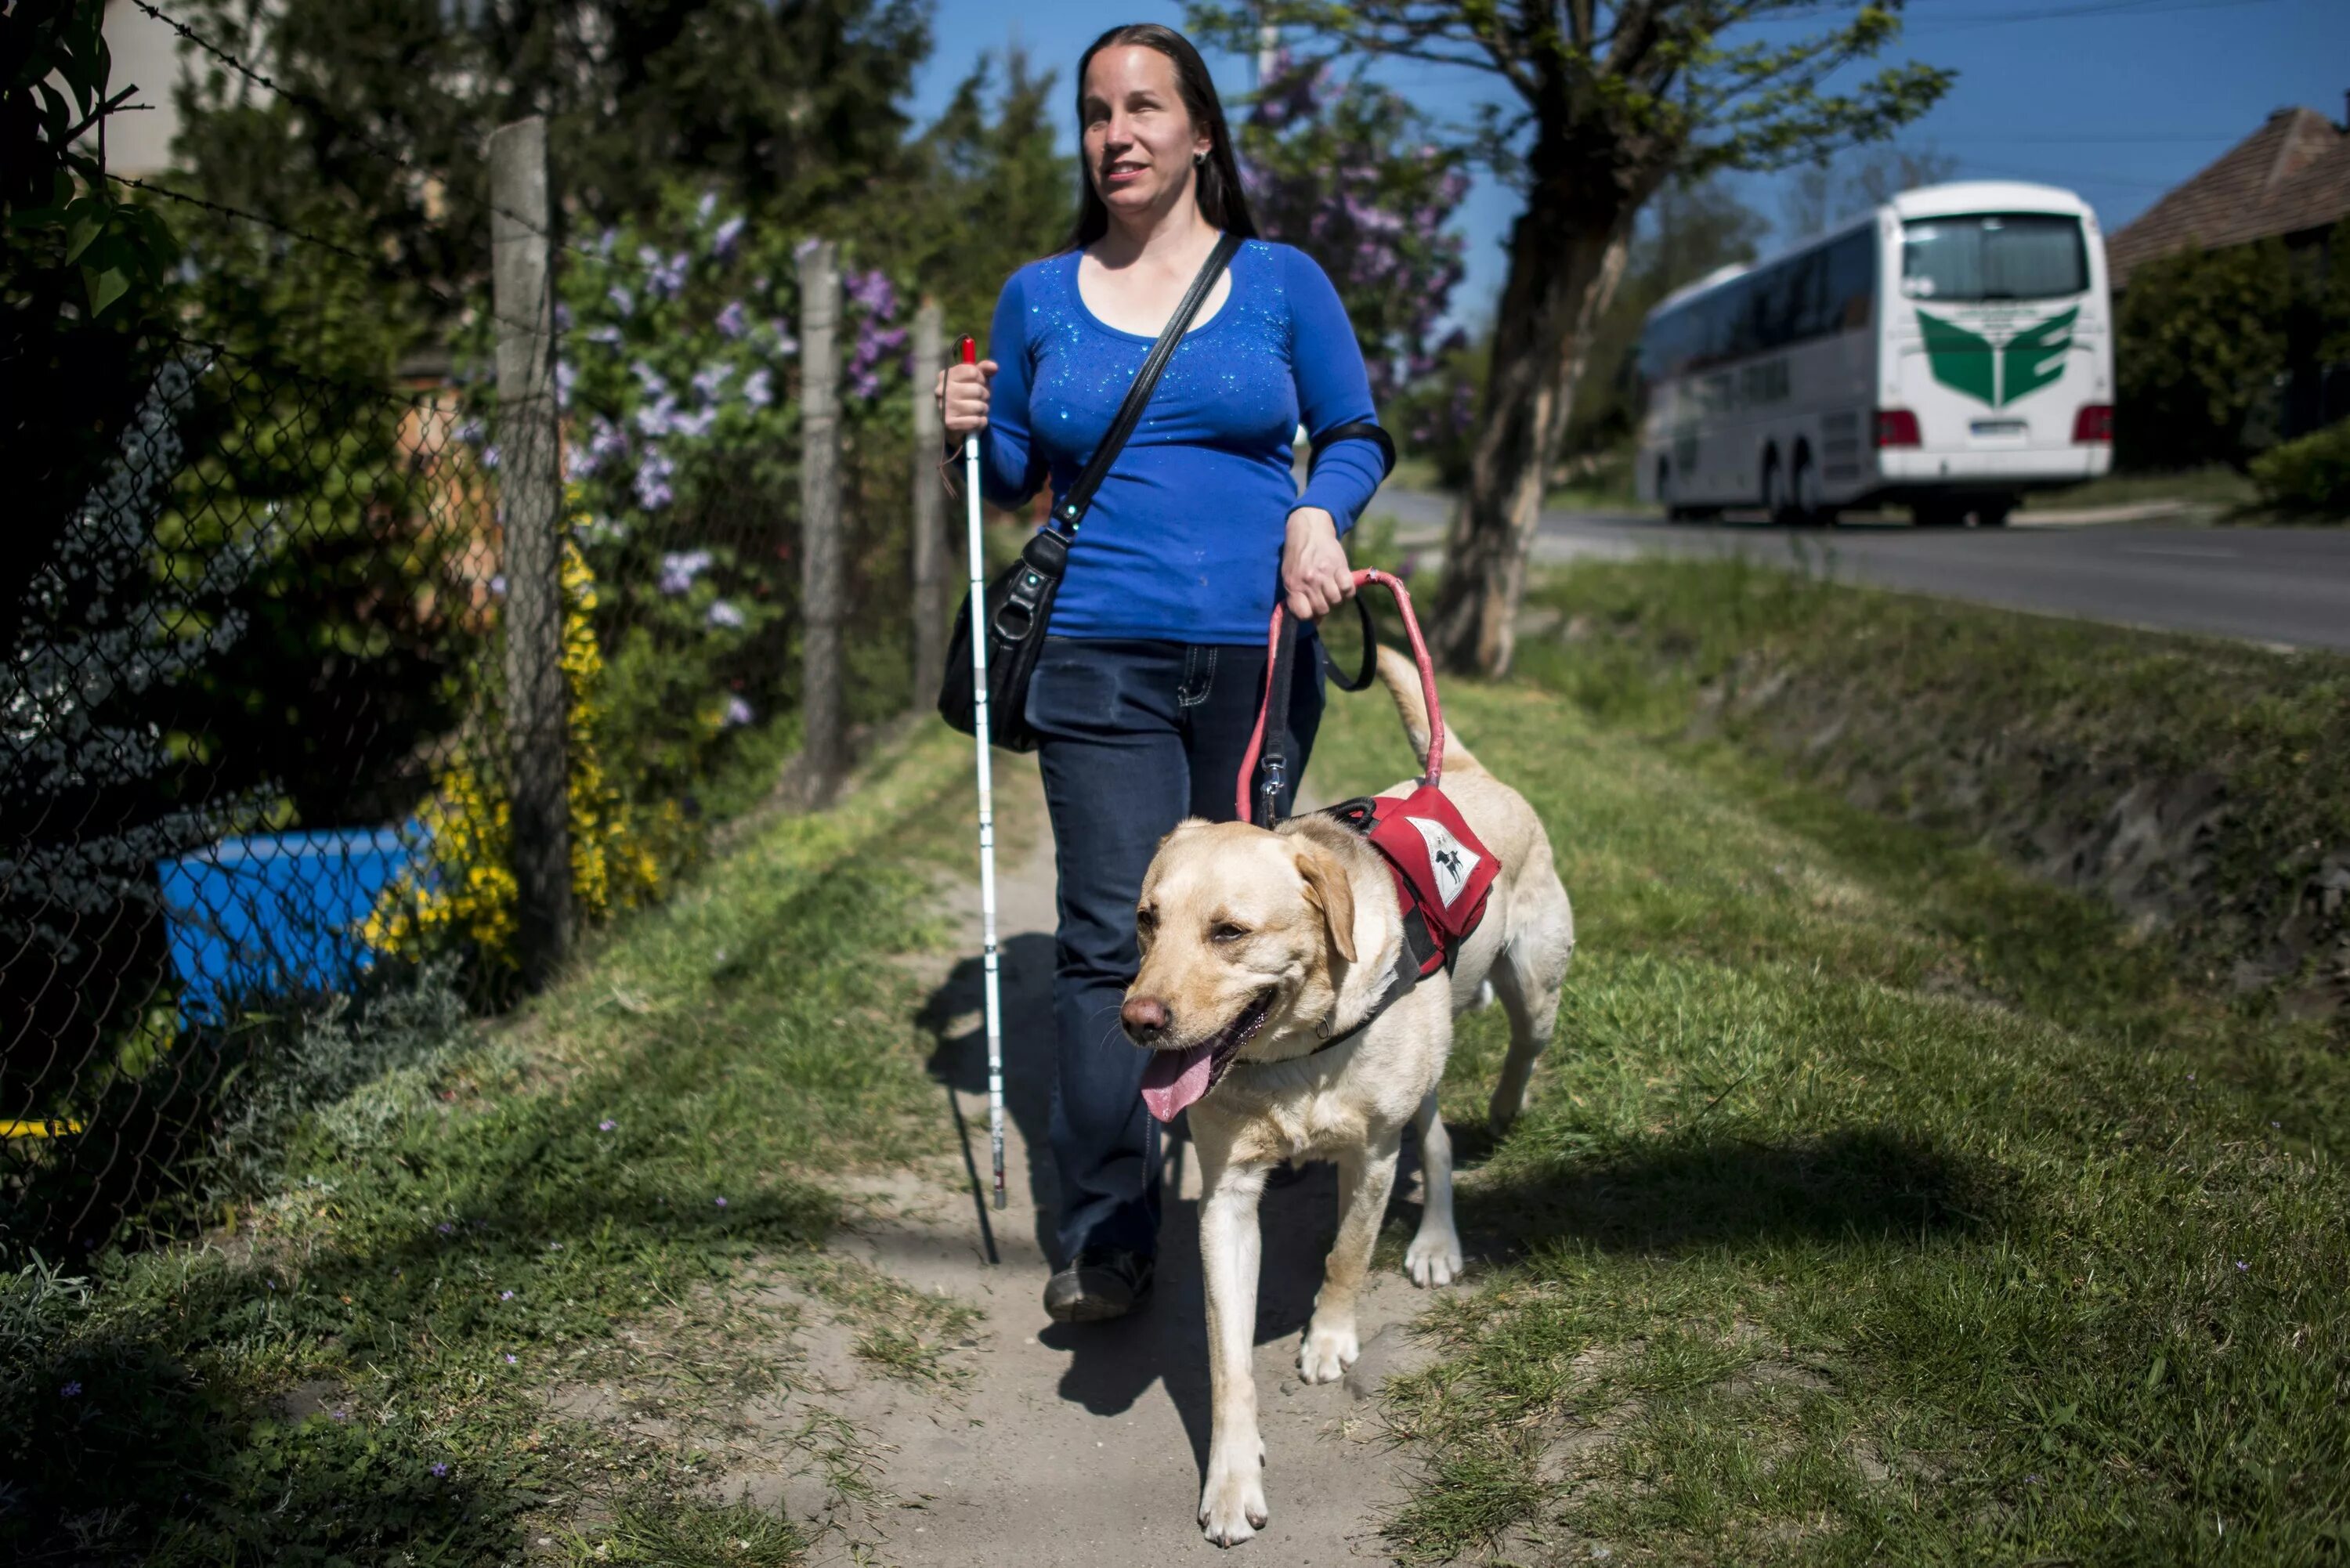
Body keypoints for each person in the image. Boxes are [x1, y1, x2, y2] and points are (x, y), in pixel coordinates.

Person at [935, 22, 1388, 1324]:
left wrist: (1320, 514)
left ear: (1199, 131)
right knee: (1102, 939)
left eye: (1143, 108)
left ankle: (1247, 1141)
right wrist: (967, 427)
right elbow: (1015, 470)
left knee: (1246, 917)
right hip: (1091, 655)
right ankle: (1107, 1225)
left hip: (1256, 651)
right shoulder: (1037, 295)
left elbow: (1354, 432)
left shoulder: (1282, 280)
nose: (1116, 133)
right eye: (1095, 113)